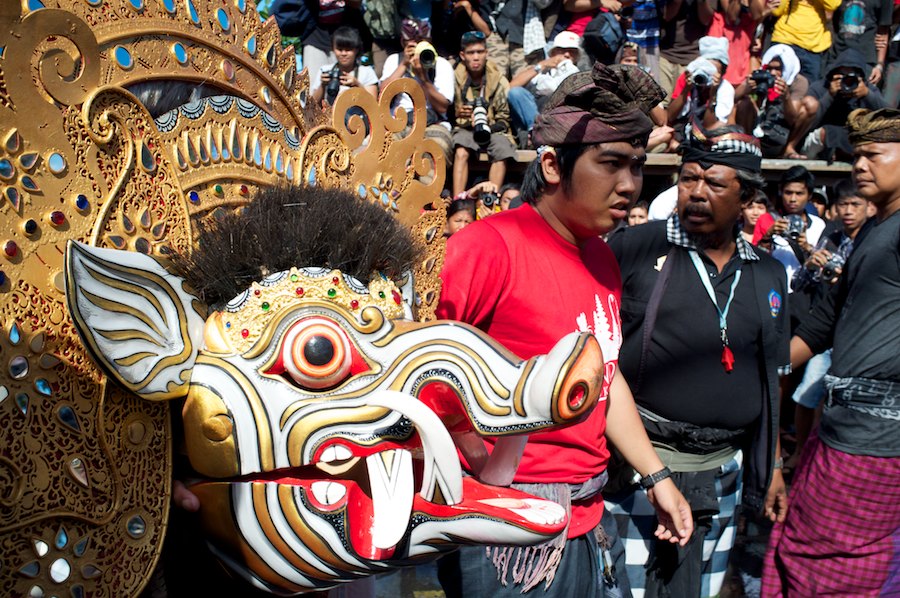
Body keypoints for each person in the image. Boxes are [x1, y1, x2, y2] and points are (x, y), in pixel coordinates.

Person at [436, 62, 693, 597]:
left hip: (589, 517)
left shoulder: (602, 258)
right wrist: (486, 473)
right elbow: (426, 378)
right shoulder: (488, 247)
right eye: (611, 164)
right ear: (553, 165)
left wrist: (655, 476)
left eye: (638, 166)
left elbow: (605, 376)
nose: (629, 185)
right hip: (506, 534)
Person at [605, 124, 790, 598]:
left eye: (715, 183)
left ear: (746, 196)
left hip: (722, 471)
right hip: (639, 471)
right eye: (689, 179)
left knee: (700, 590)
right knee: (623, 588)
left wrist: (770, 466)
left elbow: (772, 376)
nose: (697, 193)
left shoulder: (767, 273)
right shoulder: (635, 248)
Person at [762, 108, 900, 596]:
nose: (859, 165)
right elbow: (824, 323)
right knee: (804, 549)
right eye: (855, 155)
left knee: (837, 567)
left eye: (873, 155)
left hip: (878, 439)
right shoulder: (870, 233)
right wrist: (758, 366)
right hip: (841, 427)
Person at [784, 180, 873, 471]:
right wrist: (811, 264)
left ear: (868, 208)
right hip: (824, 333)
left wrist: (843, 281)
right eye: (843, 205)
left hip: (859, 336)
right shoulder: (831, 237)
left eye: (854, 205)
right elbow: (799, 283)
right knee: (806, 395)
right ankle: (800, 451)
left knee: (842, 402)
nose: (848, 211)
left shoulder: (873, 241)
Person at [788, 49, 888, 161]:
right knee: (828, 132)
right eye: (842, 75)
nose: (846, 81)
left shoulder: (865, 88)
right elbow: (807, 124)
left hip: (853, 141)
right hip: (818, 142)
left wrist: (867, 95)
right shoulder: (821, 87)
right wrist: (829, 96)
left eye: (850, 77)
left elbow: (887, 117)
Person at [451, 30, 517, 197]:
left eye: (480, 52)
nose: (475, 57)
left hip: (494, 128)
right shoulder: (454, 78)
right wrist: (460, 113)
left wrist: (488, 124)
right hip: (466, 128)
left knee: (502, 148)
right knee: (461, 149)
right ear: (462, 55)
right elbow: (447, 111)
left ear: (486, 53)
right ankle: (458, 201)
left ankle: (490, 199)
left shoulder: (498, 79)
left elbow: (504, 117)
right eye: (471, 53)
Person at [380, 18, 455, 164]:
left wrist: (424, 78)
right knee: (384, 149)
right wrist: (403, 65)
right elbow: (383, 95)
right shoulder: (394, 60)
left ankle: (427, 186)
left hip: (433, 123)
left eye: (422, 40)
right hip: (396, 122)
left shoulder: (442, 64)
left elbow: (442, 107)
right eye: (414, 41)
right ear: (403, 42)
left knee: (434, 151)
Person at [508, 31, 583, 142]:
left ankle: (539, 133)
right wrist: (541, 65)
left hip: (558, 122)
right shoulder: (542, 71)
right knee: (516, 93)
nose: (567, 55)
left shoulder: (576, 73)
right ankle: (536, 131)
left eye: (572, 52)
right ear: (553, 52)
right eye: (562, 50)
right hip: (534, 117)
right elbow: (511, 87)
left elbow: (553, 88)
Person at [667, 37, 735, 140]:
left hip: (709, 133)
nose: (708, 75)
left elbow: (710, 127)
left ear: (722, 73)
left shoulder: (725, 88)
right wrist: (686, 90)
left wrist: (713, 95)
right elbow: (670, 117)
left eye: (713, 72)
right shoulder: (688, 79)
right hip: (684, 128)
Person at [766, 0, 841, 82]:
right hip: (785, 39)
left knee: (808, 89)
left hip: (813, 47)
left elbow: (833, 4)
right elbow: (776, 11)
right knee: (775, 85)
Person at [310, 26, 378, 107]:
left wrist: (357, 85)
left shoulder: (367, 72)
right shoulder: (325, 70)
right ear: (333, 49)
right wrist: (322, 85)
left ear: (356, 50)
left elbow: (373, 105)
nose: (343, 54)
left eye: (348, 50)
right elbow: (312, 106)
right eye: (339, 49)